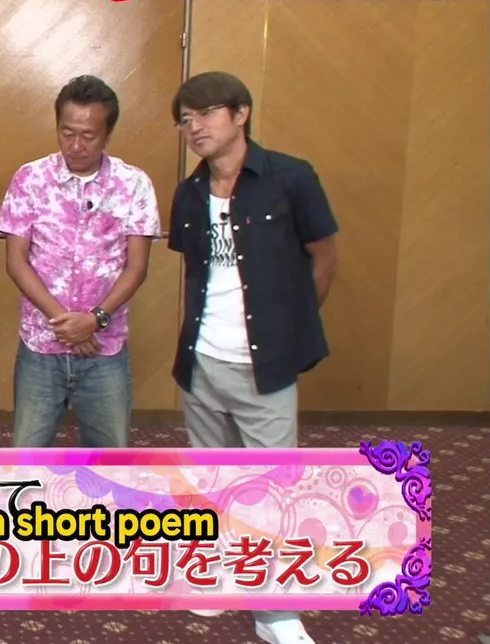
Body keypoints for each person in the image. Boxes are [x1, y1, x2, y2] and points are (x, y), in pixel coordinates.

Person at [168, 71, 339, 644]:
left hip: (264, 367)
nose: (194, 126)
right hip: (202, 363)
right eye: (185, 119)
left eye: (205, 113)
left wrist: (289, 327)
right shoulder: (189, 193)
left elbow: (324, 257)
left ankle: (275, 613)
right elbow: (198, 273)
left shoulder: (291, 178)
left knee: (271, 491)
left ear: (240, 113)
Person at [0, 76, 161, 449]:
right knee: (27, 456)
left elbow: (136, 268)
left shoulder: (133, 184)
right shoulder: (30, 179)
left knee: (110, 458)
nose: (75, 145)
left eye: (88, 136)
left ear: (108, 134)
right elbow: (16, 262)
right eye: (66, 133)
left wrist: (94, 321)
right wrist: (67, 324)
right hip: (41, 347)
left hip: (105, 349)